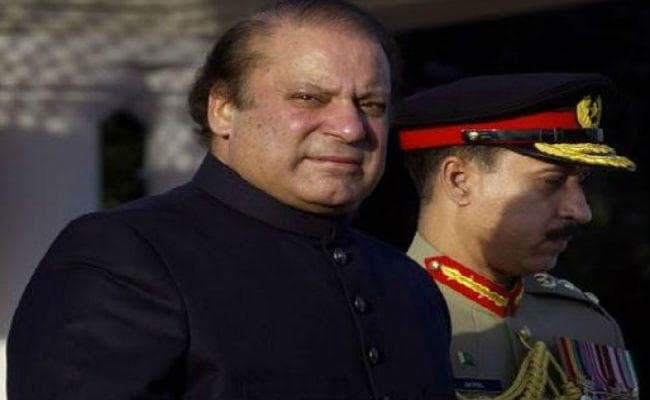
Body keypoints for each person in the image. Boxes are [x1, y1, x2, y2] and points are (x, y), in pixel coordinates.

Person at [7, 1, 454, 399]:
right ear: (223, 109)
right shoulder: (124, 256)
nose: (351, 128)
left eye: (372, 105)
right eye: (309, 98)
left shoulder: (408, 285)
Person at [396, 73, 639, 399]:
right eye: (551, 182)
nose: (581, 211)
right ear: (458, 180)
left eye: (580, 182)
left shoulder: (584, 323)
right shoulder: (386, 317)